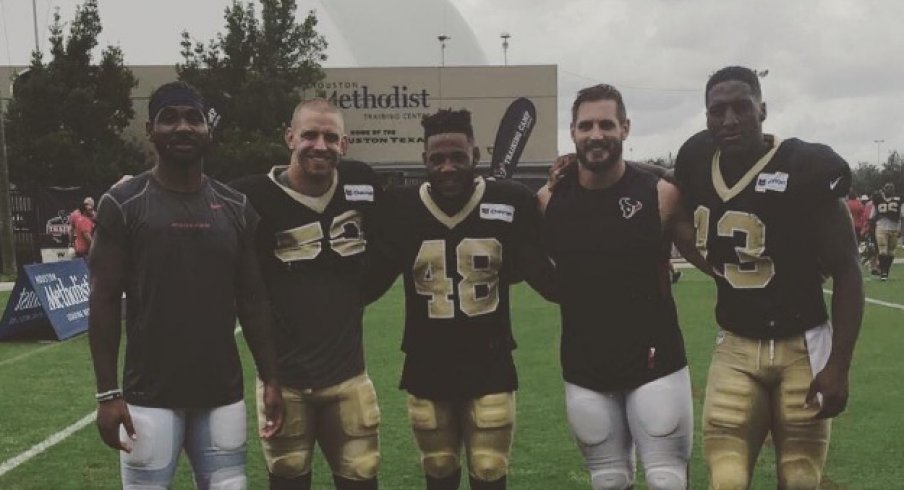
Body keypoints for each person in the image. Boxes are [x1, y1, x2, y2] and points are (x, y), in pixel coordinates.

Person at [674, 66, 864, 489]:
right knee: (725, 479)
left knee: (799, 477)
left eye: (741, 107)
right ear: (706, 117)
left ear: (763, 109)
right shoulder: (696, 158)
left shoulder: (807, 166)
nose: (729, 120)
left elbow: (849, 271)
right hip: (736, 346)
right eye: (717, 110)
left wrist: (839, 366)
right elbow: (671, 199)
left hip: (803, 342)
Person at [88, 81, 284, 490]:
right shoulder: (123, 203)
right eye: (169, 118)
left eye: (194, 118)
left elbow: (252, 300)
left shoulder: (236, 207)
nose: (183, 128)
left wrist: (271, 379)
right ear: (149, 130)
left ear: (208, 131)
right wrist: (108, 395)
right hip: (148, 395)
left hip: (221, 394)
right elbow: (104, 299)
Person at [366, 109, 556, 490]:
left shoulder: (511, 200)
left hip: (490, 358)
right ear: (424, 161)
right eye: (437, 159)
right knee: (438, 469)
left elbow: (536, 274)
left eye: (458, 157)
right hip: (426, 359)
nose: (448, 167)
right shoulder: (400, 206)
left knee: (488, 469)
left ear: (477, 155)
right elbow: (368, 282)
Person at [538, 83, 709, 490]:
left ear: (625, 128)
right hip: (585, 365)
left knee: (667, 479)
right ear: (572, 132)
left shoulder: (661, 195)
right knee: (608, 481)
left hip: (656, 362)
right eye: (586, 126)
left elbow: (711, 259)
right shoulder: (548, 201)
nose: (596, 134)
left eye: (606, 124)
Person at [230, 98, 382, 490]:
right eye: (310, 134)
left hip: (349, 375)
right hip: (285, 379)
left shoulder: (362, 183)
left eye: (331, 137)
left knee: (362, 477)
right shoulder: (250, 197)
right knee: (288, 476)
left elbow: (400, 231)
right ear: (289, 137)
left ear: (344, 144)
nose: (320, 145)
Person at [869, 182, 902, 280]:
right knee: (883, 250)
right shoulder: (878, 200)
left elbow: (902, 216)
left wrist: (902, 229)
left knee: (891, 252)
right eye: (887, 188)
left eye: (891, 188)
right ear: (884, 189)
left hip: (894, 228)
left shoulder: (899, 201)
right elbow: (872, 216)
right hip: (881, 227)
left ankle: (886, 270)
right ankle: (883, 272)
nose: (889, 190)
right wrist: (871, 228)